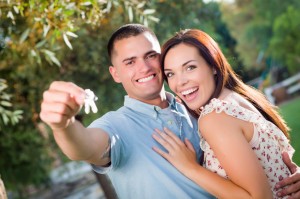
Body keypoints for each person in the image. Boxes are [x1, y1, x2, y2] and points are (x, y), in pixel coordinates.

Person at [40, 24, 300, 199]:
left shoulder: (196, 107)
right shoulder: (116, 125)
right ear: (115, 73)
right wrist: (63, 125)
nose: (144, 67)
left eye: (150, 55)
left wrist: (284, 175)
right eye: (130, 62)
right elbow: (84, 146)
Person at [152, 28, 299, 198]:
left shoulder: (215, 116)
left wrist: (190, 168)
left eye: (190, 67)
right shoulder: (236, 99)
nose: (180, 82)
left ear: (213, 66)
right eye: (170, 74)